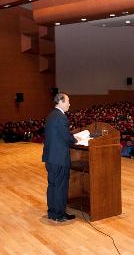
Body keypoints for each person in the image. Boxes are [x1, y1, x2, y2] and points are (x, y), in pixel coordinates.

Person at [42, 93, 78, 222]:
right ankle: (59, 214)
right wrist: (76, 139)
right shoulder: (61, 117)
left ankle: (53, 212)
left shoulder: (51, 115)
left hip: (51, 157)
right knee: (60, 186)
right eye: (68, 101)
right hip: (59, 158)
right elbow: (67, 138)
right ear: (61, 101)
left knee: (53, 185)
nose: (69, 104)